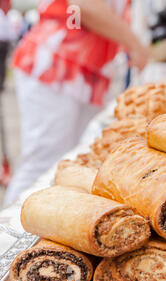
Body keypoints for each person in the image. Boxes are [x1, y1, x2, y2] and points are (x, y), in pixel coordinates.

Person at [2, 0, 152, 208]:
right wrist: (134, 43)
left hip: (86, 75)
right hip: (56, 64)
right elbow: (84, 5)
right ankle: (8, 234)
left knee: (77, 161)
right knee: (42, 163)